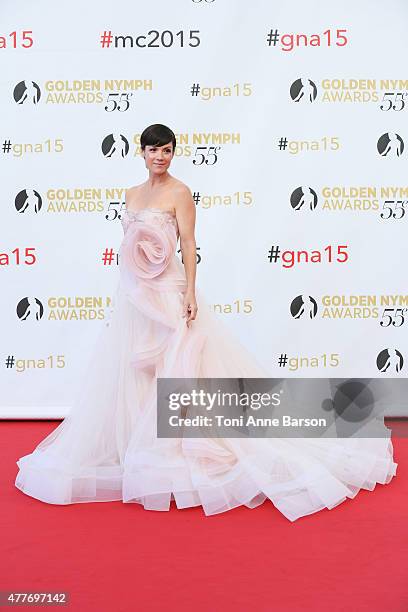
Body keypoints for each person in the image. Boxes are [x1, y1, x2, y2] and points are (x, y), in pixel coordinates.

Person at [15, 124, 398, 521]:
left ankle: (178, 447)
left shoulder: (179, 192)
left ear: (173, 153)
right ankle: (134, 444)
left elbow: (188, 243)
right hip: (135, 297)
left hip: (170, 291)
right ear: (140, 152)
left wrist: (191, 292)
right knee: (136, 373)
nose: (160, 157)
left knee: (179, 368)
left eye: (166, 150)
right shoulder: (131, 194)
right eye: (153, 150)